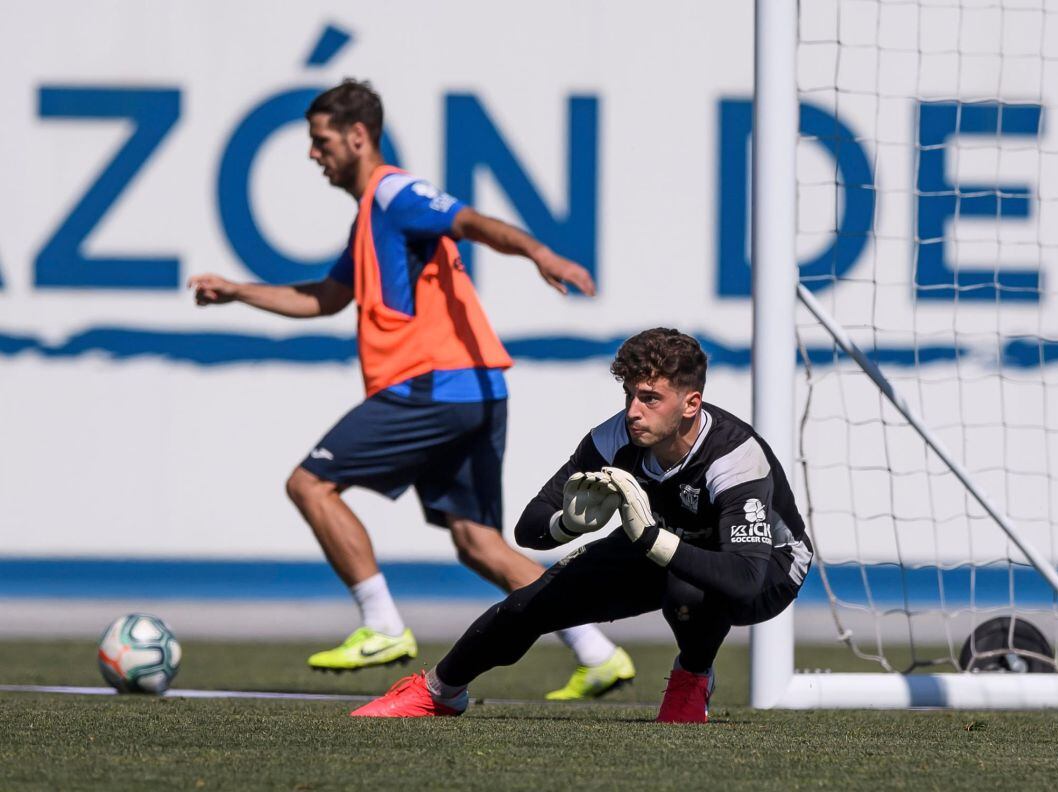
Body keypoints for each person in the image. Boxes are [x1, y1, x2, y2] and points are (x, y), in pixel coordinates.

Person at [188, 79, 634, 700]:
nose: (314, 156)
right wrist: (238, 291)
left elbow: (470, 220)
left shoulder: (394, 193)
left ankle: (382, 624)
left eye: (320, 142)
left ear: (357, 136)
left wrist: (537, 252)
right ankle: (599, 651)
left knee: (309, 483)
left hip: (434, 385)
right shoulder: (370, 217)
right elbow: (324, 298)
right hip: (474, 390)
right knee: (477, 544)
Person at [352, 328, 814, 723]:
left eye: (650, 398)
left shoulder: (733, 456)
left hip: (767, 568)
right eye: (630, 394)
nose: (634, 410)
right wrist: (566, 524)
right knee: (533, 601)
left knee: (689, 588)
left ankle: (692, 676)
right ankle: (439, 692)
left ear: (691, 404)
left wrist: (652, 540)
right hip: (664, 542)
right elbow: (527, 528)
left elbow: (746, 579)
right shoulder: (616, 436)